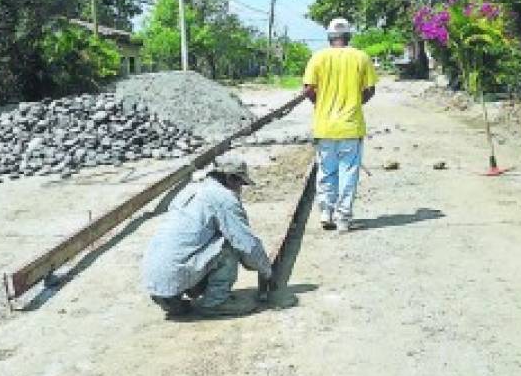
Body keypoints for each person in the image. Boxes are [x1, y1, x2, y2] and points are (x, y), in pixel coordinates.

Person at [142, 158, 273, 318]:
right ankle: (216, 303)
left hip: (154, 277)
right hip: (175, 272)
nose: (240, 189)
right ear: (230, 178)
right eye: (240, 183)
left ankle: (170, 298)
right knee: (229, 244)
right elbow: (246, 244)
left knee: (198, 242)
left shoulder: (189, 189)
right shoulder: (224, 198)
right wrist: (266, 271)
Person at [302, 17, 377, 232]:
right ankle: (343, 217)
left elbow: (308, 89)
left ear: (329, 37)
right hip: (351, 126)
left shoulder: (317, 57)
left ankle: (326, 212)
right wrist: (354, 104)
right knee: (349, 172)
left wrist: (321, 104)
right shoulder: (361, 58)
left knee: (326, 171)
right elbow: (370, 90)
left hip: (324, 126)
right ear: (349, 36)